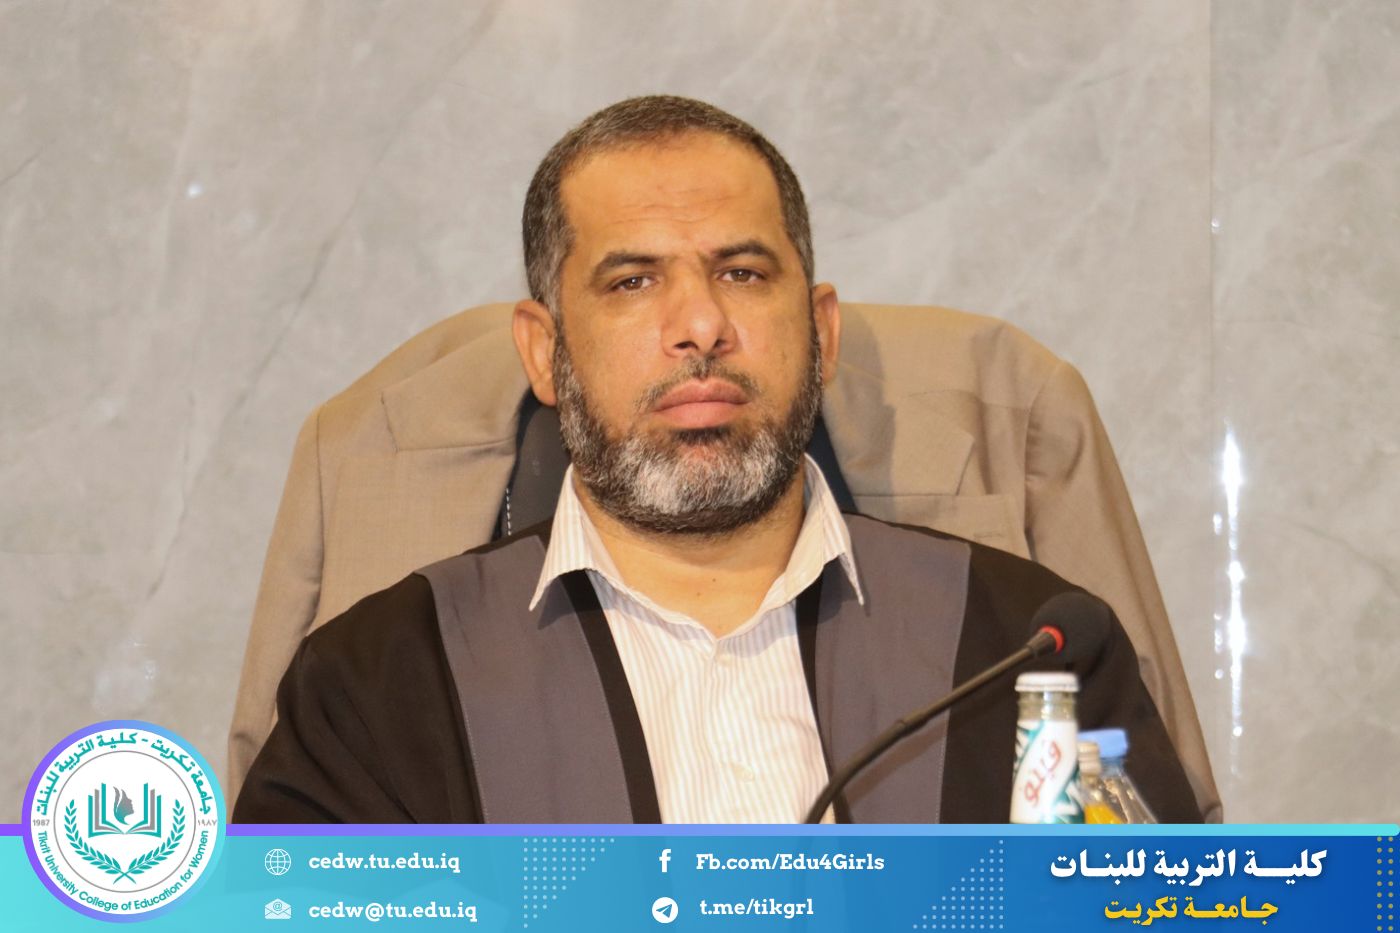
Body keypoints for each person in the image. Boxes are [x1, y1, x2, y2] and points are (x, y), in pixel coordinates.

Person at [232, 96, 1206, 823]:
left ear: (821, 333)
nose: (699, 324)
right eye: (631, 281)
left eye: (741, 272)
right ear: (543, 351)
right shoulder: (375, 683)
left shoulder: (1027, 653)